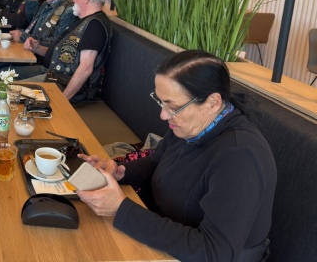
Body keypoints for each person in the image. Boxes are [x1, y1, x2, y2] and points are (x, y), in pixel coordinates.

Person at [77, 50, 277, 261]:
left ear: (213, 102)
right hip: (165, 238)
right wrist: (120, 171)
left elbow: (214, 252)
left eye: (172, 106)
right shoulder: (191, 125)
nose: (163, 115)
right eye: (161, 102)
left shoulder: (239, 158)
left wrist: (120, 209)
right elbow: (155, 163)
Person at [18, 0, 112, 104]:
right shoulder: (83, 21)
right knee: (5, 76)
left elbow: (86, 68)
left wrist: (62, 101)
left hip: (67, 86)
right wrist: (37, 48)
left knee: (11, 90)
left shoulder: (94, 25)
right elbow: (61, 53)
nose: (73, 0)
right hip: (54, 76)